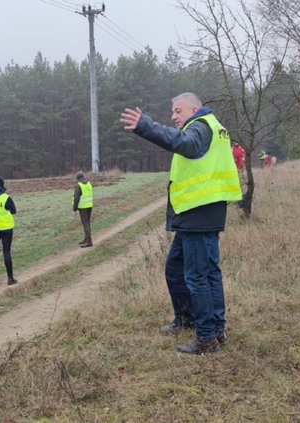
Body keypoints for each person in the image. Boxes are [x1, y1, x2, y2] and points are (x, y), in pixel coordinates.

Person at [120, 92, 242, 354]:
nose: (174, 116)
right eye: (172, 112)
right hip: (198, 213)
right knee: (179, 269)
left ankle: (207, 337)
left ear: (194, 108)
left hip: (198, 212)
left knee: (198, 277)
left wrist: (146, 126)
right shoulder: (212, 127)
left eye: (178, 111)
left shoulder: (199, 127)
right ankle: (194, 322)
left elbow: (184, 143)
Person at [72, 171, 94, 247]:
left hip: (83, 208)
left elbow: (76, 198)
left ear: (78, 178)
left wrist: (74, 208)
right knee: (87, 223)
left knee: (85, 224)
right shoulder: (88, 183)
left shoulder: (78, 185)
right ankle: (86, 239)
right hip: (90, 205)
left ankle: (89, 241)